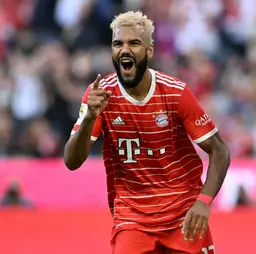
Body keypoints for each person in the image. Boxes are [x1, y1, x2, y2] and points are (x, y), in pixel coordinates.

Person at [64, 11, 230, 254]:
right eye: (118, 44)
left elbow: (219, 150)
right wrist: (89, 117)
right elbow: (71, 161)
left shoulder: (176, 93)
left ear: (149, 51)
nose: (124, 50)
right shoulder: (99, 96)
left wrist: (203, 202)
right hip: (133, 218)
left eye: (134, 43)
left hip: (183, 213)